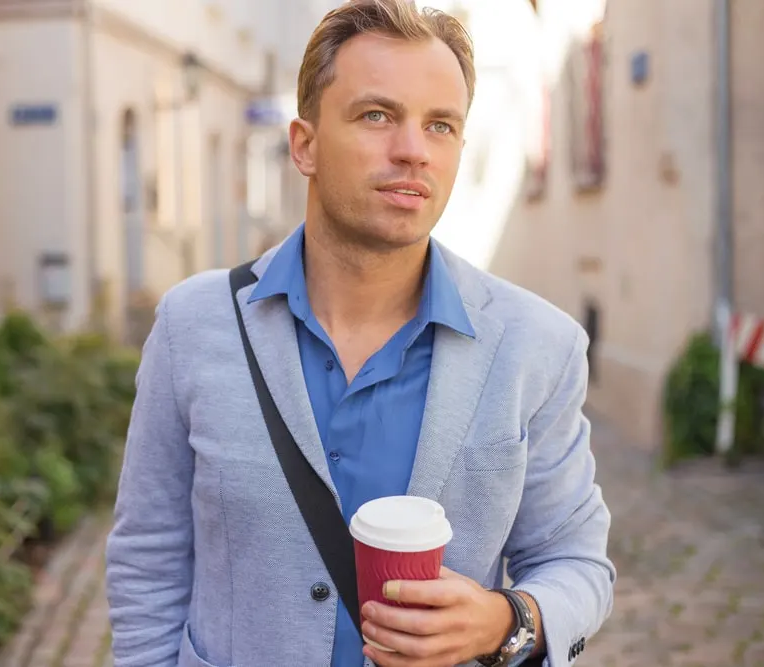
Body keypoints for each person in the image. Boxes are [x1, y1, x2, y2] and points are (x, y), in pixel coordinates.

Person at [105, 0, 615, 665]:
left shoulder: (536, 345)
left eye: (440, 125)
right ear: (304, 144)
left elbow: (577, 561)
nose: (412, 151)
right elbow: (148, 560)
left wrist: (504, 619)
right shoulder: (193, 325)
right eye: (377, 115)